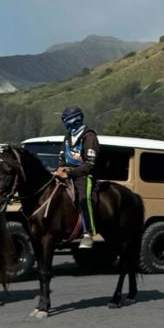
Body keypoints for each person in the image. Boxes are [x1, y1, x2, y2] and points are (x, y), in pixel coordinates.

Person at [55, 107, 102, 251]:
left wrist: (69, 174)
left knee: (84, 198)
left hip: (84, 174)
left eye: (66, 119)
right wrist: (60, 169)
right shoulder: (68, 136)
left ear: (76, 119)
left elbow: (89, 164)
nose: (65, 123)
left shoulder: (89, 136)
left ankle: (88, 233)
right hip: (67, 172)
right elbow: (62, 157)